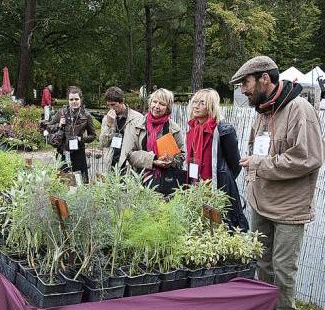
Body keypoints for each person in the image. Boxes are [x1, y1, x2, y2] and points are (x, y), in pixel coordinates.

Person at [231, 56, 324, 310]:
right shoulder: (262, 110)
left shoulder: (299, 110)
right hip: (261, 204)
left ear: (264, 79)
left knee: (283, 275)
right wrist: (253, 178)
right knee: (262, 267)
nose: (243, 90)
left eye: (246, 83)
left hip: (288, 211)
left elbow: (309, 158)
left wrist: (260, 165)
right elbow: (254, 149)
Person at [186, 88, 248, 231]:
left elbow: (235, 165)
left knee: (220, 228)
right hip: (197, 187)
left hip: (217, 189)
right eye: (195, 102)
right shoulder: (192, 130)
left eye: (202, 103)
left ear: (211, 106)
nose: (196, 106)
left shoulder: (224, 130)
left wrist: (223, 178)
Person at [119, 88, 185, 196]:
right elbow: (129, 154)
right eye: (154, 102)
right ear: (150, 103)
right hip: (139, 180)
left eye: (162, 104)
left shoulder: (174, 129)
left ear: (168, 107)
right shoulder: (135, 125)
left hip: (166, 183)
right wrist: (153, 160)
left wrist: (171, 161)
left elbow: (182, 156)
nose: (157, 106)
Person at [48, 86, 96, 183]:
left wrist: (80, 139)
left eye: (76, 99)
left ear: (81, 100)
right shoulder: (62, 112)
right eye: (71, 99)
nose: (74, 101)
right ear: (68, 100)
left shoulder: (86, 116)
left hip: (78, 151)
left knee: (81, 181)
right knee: (63, 181)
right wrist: (59, 124)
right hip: (63, 150)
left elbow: (93, 136)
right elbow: (49, 127)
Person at [99, 86, 143, 170]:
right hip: (112, 164)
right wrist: (108, 125)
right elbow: (103, 143)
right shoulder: (107, 118)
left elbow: (140, 144)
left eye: (113, 105)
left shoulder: (137, 118)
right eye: (108, 105)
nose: (111, 108)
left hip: (129, 165)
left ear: (122, 101)